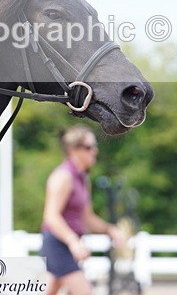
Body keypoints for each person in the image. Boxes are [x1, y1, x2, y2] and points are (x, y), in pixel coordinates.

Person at [40, 125, 126, 295]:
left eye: (94, 146)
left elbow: (87, 218)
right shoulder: (63, 176)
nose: (95, 151)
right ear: (73, 150)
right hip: (58, 245)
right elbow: (51, 216)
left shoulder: (82, 178)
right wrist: (73, 241)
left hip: (70, 245)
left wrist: (109, 229)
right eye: (89, 147)